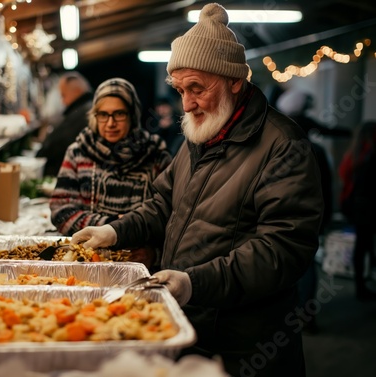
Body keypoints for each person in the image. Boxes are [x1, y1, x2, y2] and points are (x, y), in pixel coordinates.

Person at [71, 4, 323, 377]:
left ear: (235, 81)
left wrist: (195, 283)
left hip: (246, 344)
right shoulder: (200, 133)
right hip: (189, 325)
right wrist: (115, 230)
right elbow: (162, 203)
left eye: (197, 89)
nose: (186, 103)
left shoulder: (283, 145)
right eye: (180, 89)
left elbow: (282, 250)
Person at [50, 78, 172, 266]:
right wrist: (115, 225)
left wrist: (155, 254)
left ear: (132, 115)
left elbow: (170, 217)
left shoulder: (155, 155)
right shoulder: (79, 152)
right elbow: (61, 212)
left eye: (119, 114)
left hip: (136, 263)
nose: (110, 123)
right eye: (103, 114)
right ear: (94, 116)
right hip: (86, 260)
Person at [276, 88, 334, 334]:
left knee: (285, 265)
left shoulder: (276, 144)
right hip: (309, 218)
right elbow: (326, 189)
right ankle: (306, 317)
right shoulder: (316, 150)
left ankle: (290, 315)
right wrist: (326, 218)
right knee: (307, 267)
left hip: (282, 216)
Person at [339, 121, 376, 301]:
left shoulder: (353, 154)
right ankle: (363, 286)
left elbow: (343, 177)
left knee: (361, 246)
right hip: (369, 206)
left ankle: (360, 284)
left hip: (355, 205)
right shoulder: (371, 154)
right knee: (366, 245)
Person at [36, 71, 93, 177]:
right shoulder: (86, 108)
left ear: (76, 91)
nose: (62, 102)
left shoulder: (82, 113)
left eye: (63, 95)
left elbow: (54, 145)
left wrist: (40, 153)